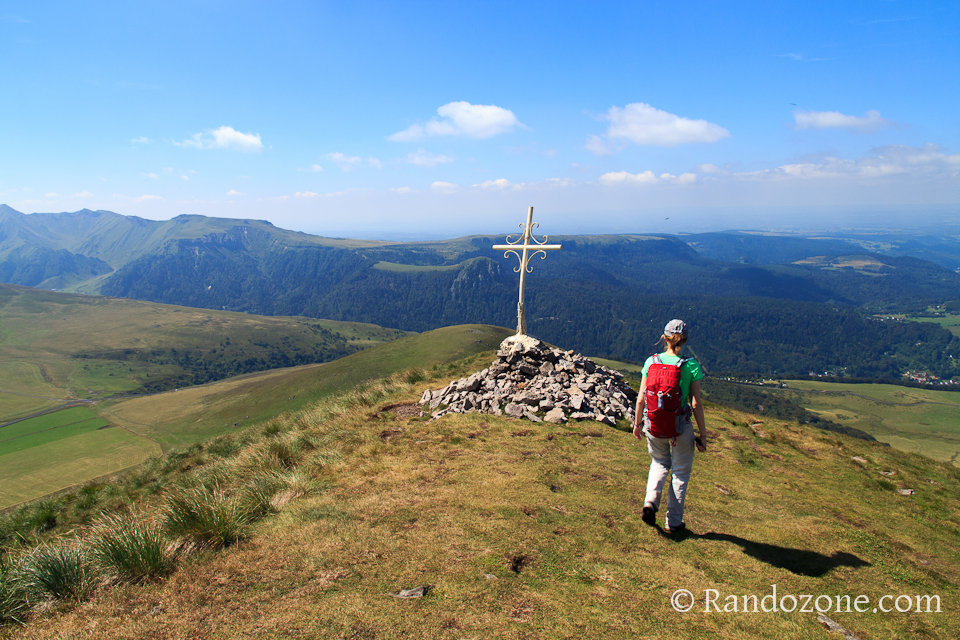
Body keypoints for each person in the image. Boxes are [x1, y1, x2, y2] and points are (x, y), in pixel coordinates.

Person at [633, 319, 707, 535]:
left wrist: (638, 424)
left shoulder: (651, 362)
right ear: (684, 340)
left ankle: (650, 503)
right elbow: (695, 403)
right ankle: (673, 522)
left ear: (664, 338)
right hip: (681, 427)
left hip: (654, 425)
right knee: (680, 473)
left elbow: (641, 399)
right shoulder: (691, 365)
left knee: (658, 462)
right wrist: (702, 435)